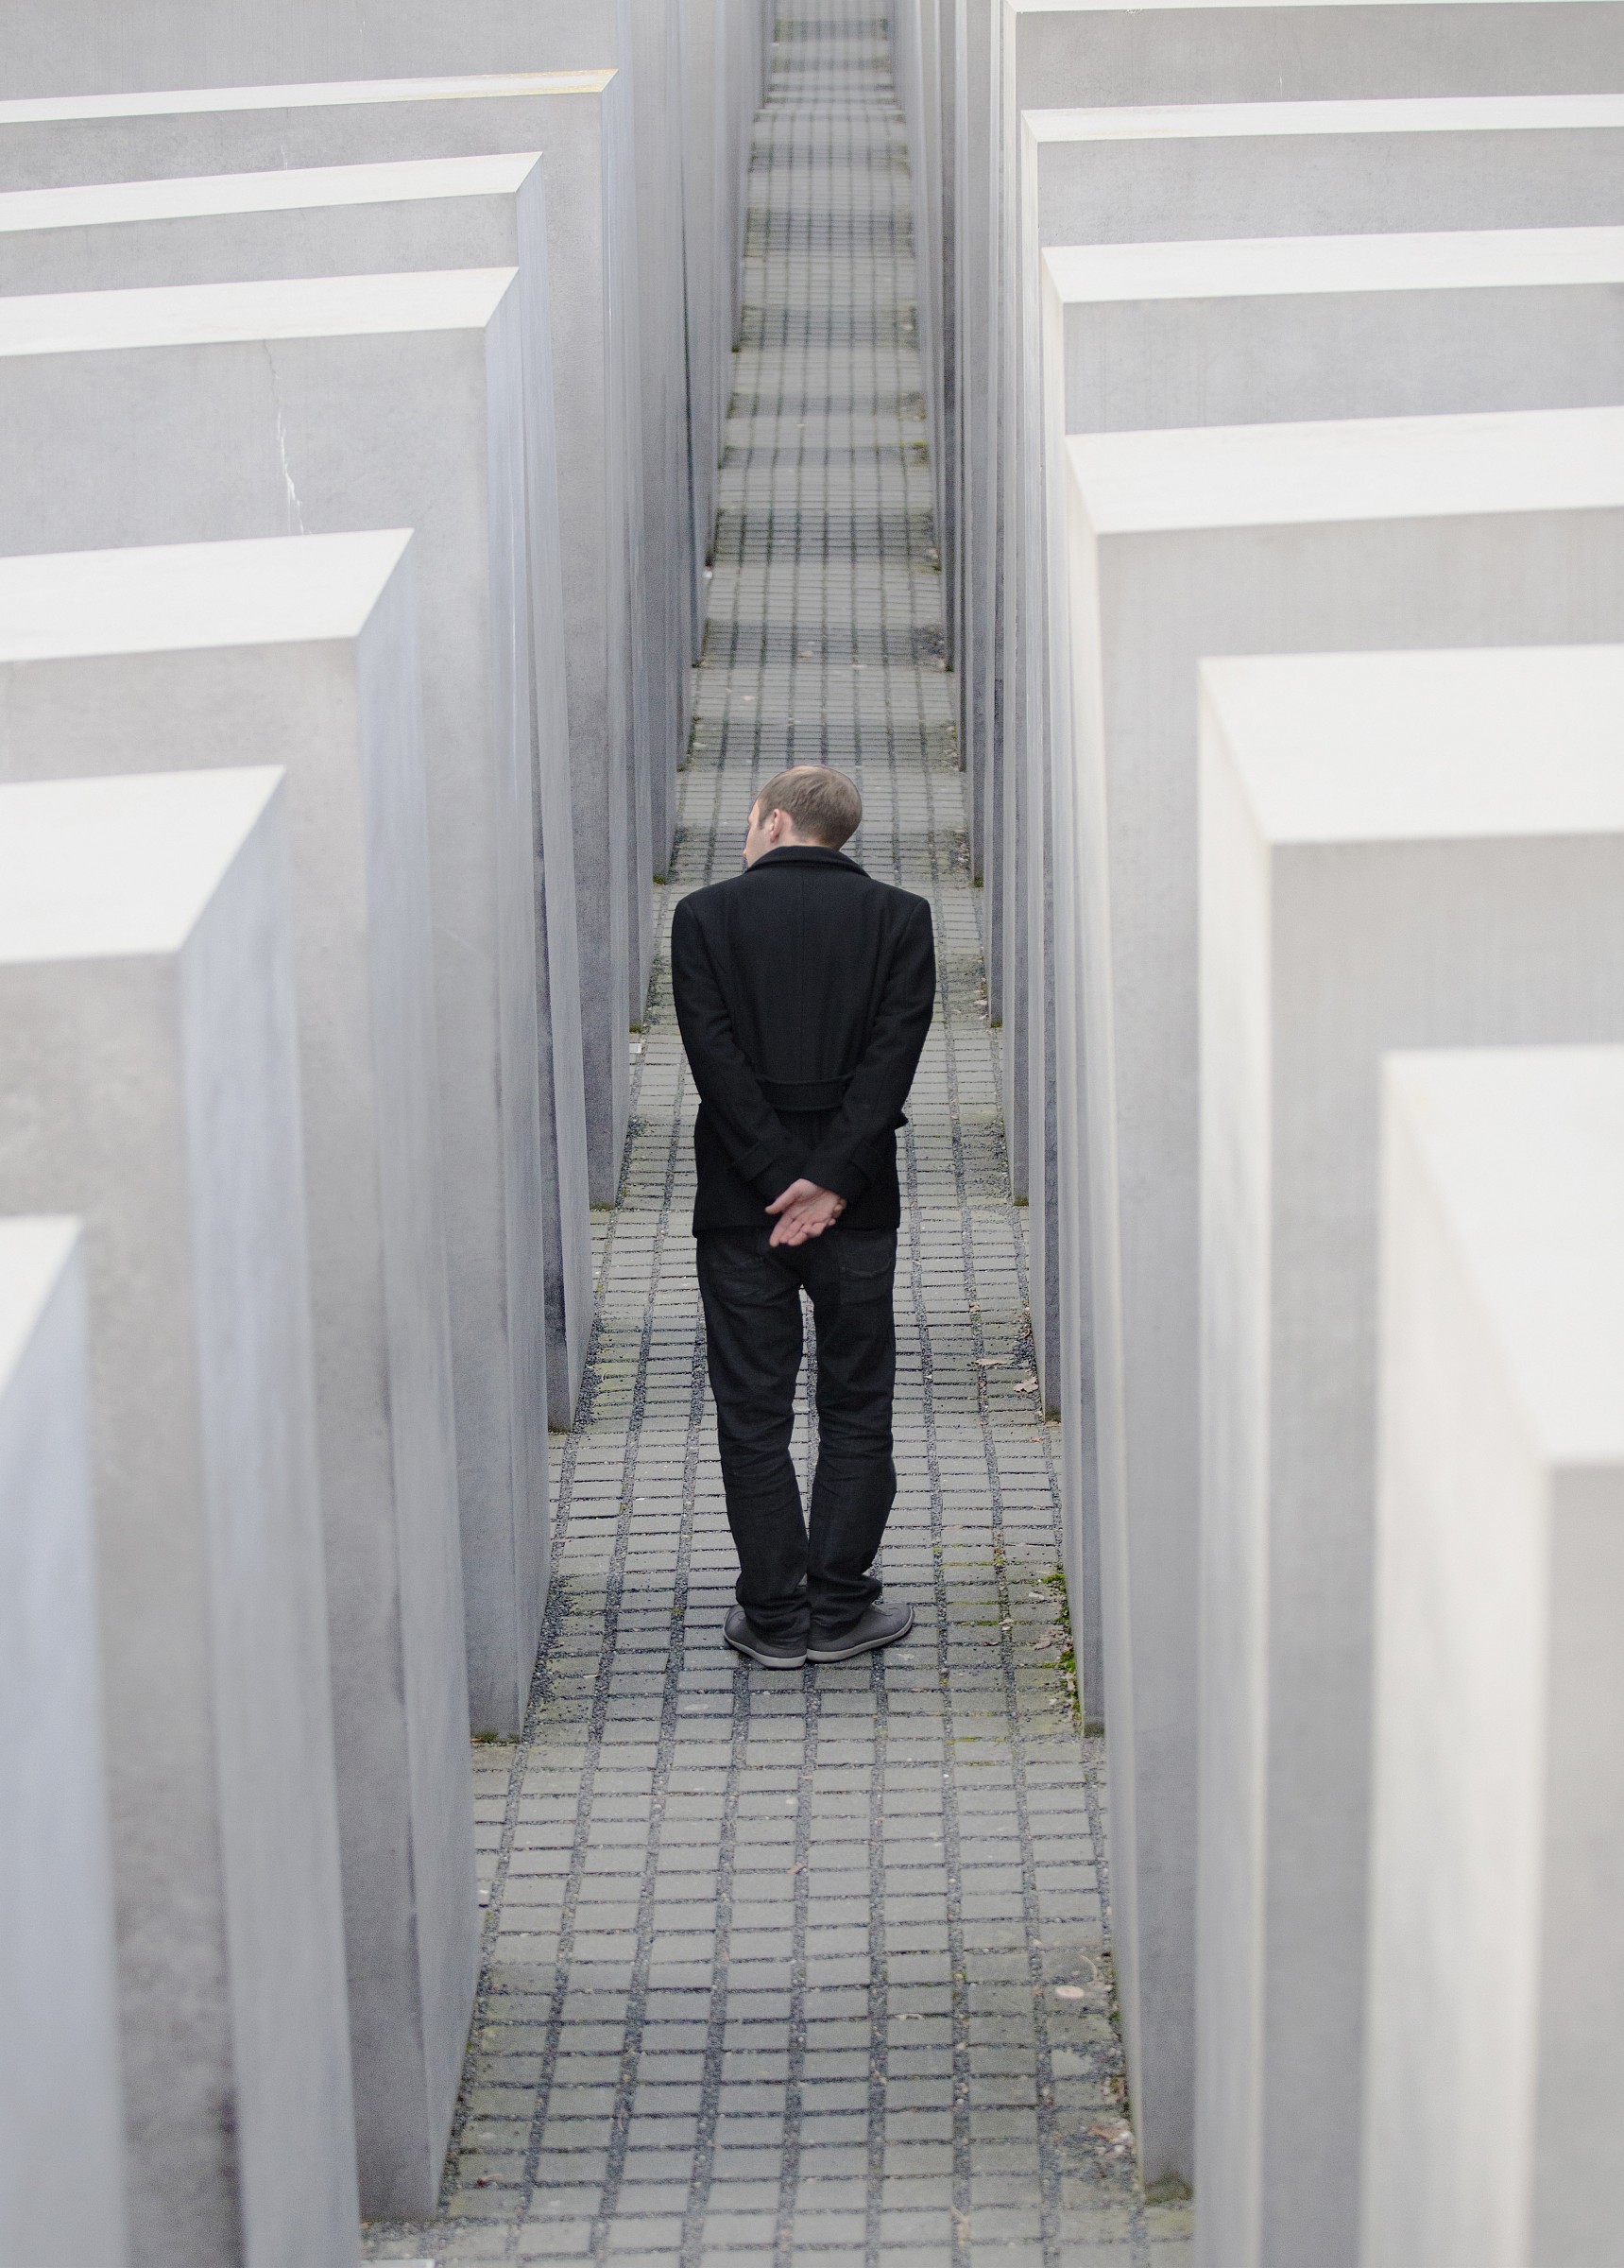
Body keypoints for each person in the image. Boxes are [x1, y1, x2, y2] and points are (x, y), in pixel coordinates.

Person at [671, 764, 936, 1669]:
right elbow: (891, 1061)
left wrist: (776, 1177)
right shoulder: (901, 919)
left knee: (753, 1411)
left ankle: (774, 1617)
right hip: (855, 1208)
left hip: (740, 1204)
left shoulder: (703, 917)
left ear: (775, 821)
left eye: (750, 823)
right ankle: (843, 1604)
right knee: (857, 1403)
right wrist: (828, 1183)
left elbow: (714, 1060)